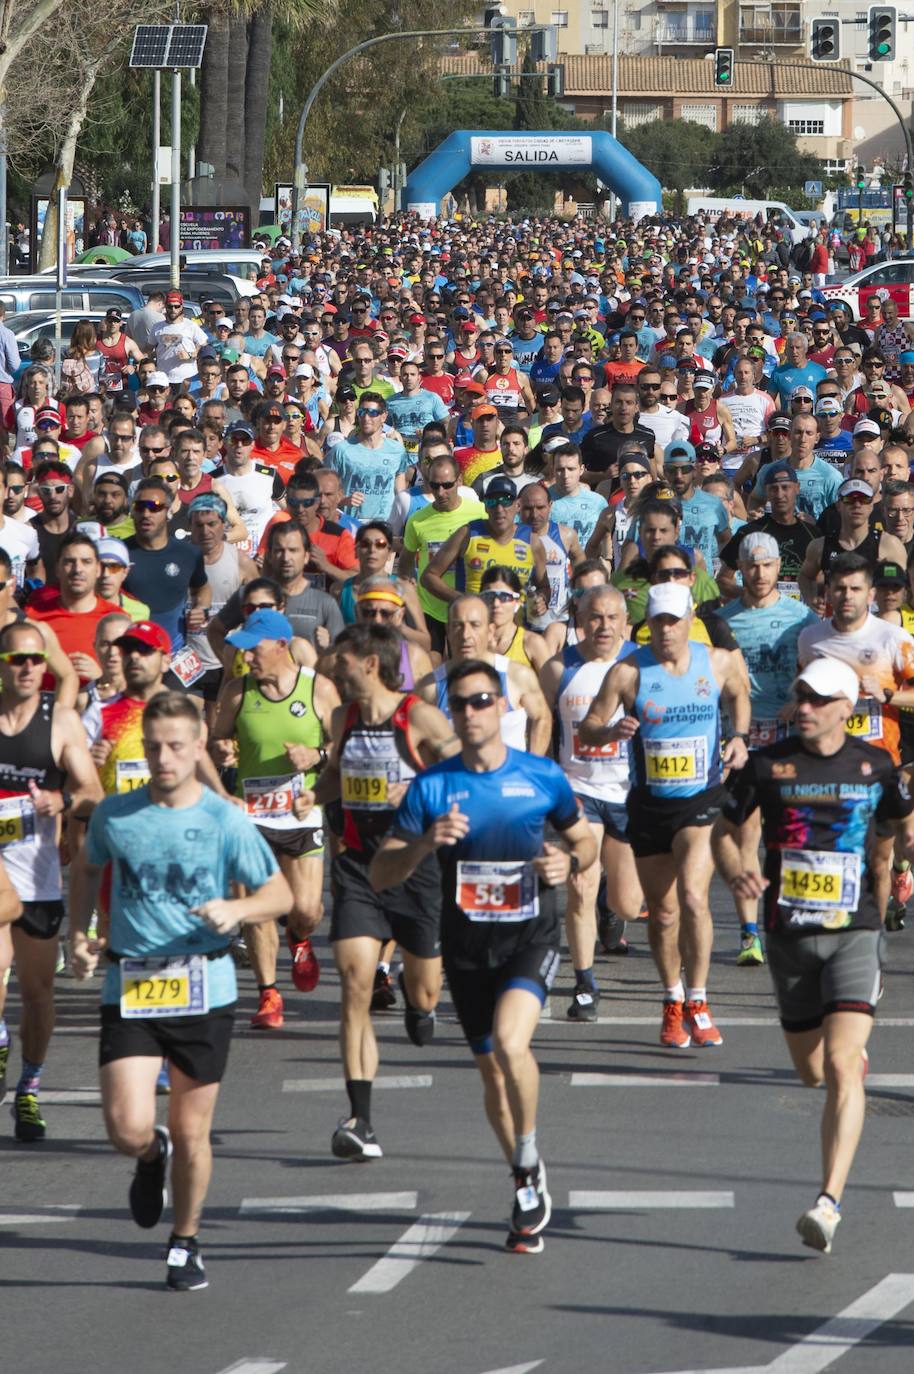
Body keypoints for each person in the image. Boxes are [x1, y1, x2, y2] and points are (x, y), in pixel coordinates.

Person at [370, 658, 595, 1253]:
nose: (469, 712)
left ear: (503, 708)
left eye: (480, 701)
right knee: (491, 1071)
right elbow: (382, 871)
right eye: (459, 703)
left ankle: (525, 1155)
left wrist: (566, 863)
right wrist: (424, 843)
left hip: (531, 933)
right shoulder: (433, 787)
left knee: (512, 1042)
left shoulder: (541, 776)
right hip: (468, 944)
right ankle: (526, 1171)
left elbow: (584, 841)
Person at [68, 692, 292, 1291]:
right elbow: (86, 866)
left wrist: (237, 907)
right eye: (153, 747)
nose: (163, 758)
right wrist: (80, 932)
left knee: (194, 1129)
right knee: (125, 1125)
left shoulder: (225, 819)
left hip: (204, 983)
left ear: (198, 748)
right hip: (132, 981)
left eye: (175, 747)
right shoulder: (116, 814)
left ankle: (185, 1240)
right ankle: (149, 1155)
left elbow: (280, 896)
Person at [713, 658, 914, 1254]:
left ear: (847, 708)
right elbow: (725, 831)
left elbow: (902, 822)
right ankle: (845, 1059)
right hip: (789, 935)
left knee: (845, 1065)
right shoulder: (769, 767)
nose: (805, 707)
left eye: (819, 699)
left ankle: (828, 1202)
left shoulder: (874, 766)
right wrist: (737, 872)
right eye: (801, 696)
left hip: (856, 930)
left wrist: (906, 857)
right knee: (813, 1072)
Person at [293, 624, 457, 1160]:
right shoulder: (344, 718)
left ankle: (419, 1001)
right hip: (359, 867)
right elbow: (337, 776)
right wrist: (310, 797)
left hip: (415, 867)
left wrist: (414, 788)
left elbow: (462, 772)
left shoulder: (419, 717)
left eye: (339, 657)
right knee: (355, 985)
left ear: (368, 664)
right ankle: (360, 1120)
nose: (330, 664)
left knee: (426, 991)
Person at [579, 581, 750, 1048]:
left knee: (695, 898)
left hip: (702, 799)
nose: (667, 629)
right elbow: (588, 729)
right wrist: (611, 730)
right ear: (647, 623)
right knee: (665, 913)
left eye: (675, 620)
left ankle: (699, 999)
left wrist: (738, 736)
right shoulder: (628, 672)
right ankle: (672, 998)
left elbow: (739, 693)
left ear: (690, 618)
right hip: (651, 804)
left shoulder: (714, 661)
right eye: (658, 621)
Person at [210, 610, 339, 1030]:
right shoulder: (236, 690)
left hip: (301, 810)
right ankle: (269, 993)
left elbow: (344, 744)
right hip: (253, 813)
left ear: (282, 645)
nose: (246, 655)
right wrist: (223, 750)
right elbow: (216, 739)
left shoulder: (318, 688)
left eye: (255, 647)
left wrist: (316, 756)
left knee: (307, 909)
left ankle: (299, 937)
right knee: (258, 907)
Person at [0, 620, 102, 1140]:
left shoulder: (60, 721)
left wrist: (60, 800)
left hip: (37, 879)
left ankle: (29, 1088)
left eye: (36, 660)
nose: (27, 668)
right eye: (17, 660)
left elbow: (94, 793)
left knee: (38, 995)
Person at [713, 533, 819, 964]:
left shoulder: (802, 618)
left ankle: (790, 920)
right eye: (751, 565)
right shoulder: (723, 620)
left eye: (767, 565)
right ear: (740, 567)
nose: (759, 573)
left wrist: (803, 695)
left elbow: (821, 665)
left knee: (787, 837)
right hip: (740, 737)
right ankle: (748, 932)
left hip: (786, 736)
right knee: (743, 831)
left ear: (780, 568)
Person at [541, 584, 645, 1019]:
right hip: (578, 790)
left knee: (627, 903)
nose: (603, 626)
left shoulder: (640, 663)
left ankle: (612, 905)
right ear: (580, 619)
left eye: (611, 618)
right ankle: (584, 983)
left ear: (625, 621)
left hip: (627, 792)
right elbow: (544, 731)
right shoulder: (557, 668)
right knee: (580, 888)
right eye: (594, 617)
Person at [418, 595, 551, 754]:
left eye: (475, 625)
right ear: (448, 630)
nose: (466, 635)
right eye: (457, 626)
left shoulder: (517, 675)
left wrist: (531, 767)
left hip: (510, 778)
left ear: (490, 631)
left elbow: (542, 717)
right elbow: (416, 737)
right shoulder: (430, 686)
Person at [399, 451, 485, 653]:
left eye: (447, 485)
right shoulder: (417, 520)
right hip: (430, 609)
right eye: (434, 485)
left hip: (468, 609)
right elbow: (405, 564)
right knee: (431, 671)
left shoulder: (479, 512)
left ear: (459, 481)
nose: (440, 492)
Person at [124, 477, 211, 651]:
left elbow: (202, 587)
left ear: (169, 512)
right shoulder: (120, 554)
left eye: (154, 507)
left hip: (174, 654)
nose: (146, 514)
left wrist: (201, 607)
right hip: (130, 651)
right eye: (140, 507)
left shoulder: (188, 553)